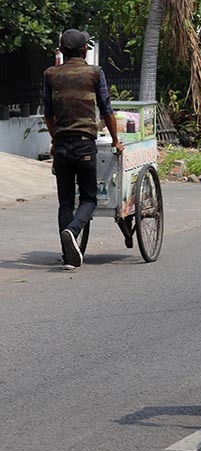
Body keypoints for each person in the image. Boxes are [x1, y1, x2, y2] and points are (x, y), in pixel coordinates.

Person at [43, 29, 123, 270]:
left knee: (65, 202)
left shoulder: (50, 74)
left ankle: (69, 257)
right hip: (84, 143)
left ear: (62, 51)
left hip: (61, 145)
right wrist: (116, 140)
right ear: (82, 50)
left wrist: (55, 139)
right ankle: (73, 230)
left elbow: (48, 113)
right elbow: (106, 110)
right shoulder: (94, 73)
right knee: (88, 198)